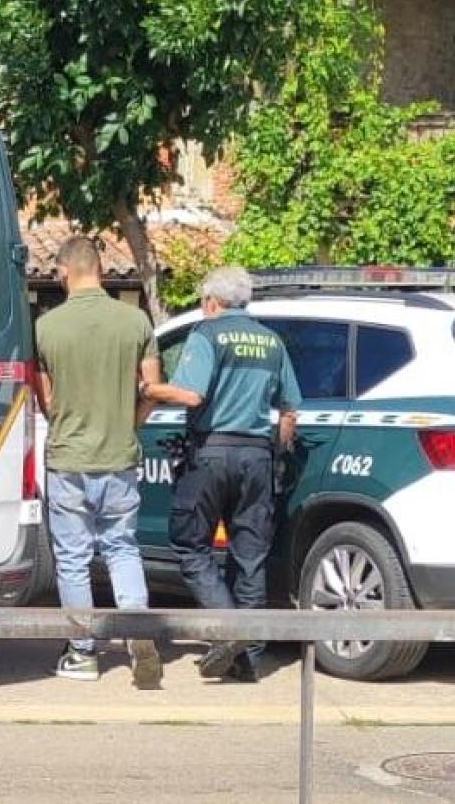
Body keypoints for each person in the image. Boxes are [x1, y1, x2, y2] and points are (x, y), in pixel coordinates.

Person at [141, 266, 300, 683]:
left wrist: (150, 390)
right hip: (257, 457)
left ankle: (227, 630)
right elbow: (288, 414)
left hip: (211, 453)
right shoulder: (272, 341)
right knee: (250, 558)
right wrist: (275, 456)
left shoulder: (206, 334)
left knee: (190, 544)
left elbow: (192, 394)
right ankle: (247, 658)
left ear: (212, 301)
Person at [34, 237, 163, 689]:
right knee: (122, 547)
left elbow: (45, 399)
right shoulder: (135, 321)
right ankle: (137, 633)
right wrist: (129, 424)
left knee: (72, 558)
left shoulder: (46, 327)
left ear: (65, 272)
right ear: (101, 269)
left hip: (68, 458)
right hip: (119, 455)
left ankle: (83, 652)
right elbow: (152, 389)